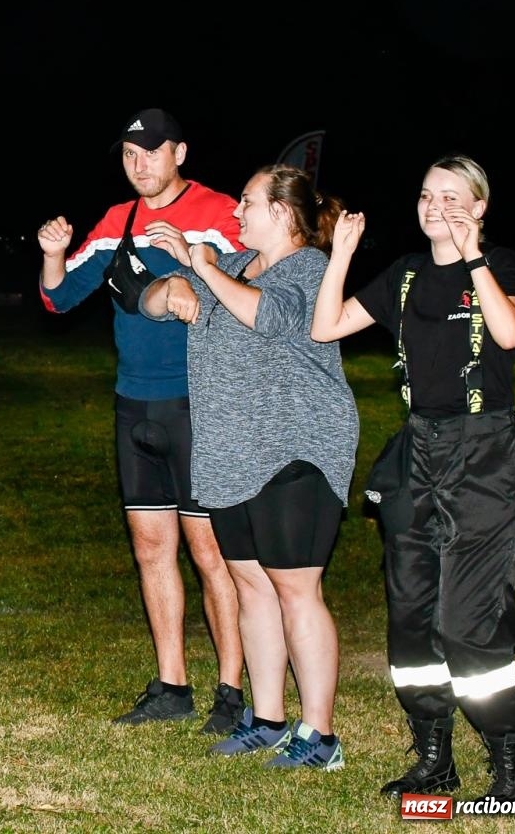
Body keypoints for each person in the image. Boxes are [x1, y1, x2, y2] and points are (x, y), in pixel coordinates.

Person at [313, 155, 515, 804]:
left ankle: (512, 770)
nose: (434, 204)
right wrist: (343, 254)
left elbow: (511, 331)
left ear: (479, 206)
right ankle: (434, 759)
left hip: (485, 455)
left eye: (451, 195)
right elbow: (325, 326)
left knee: (469, 623)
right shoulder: (405, 275)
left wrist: (473, 256)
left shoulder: (500, 266)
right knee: (411, 620)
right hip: (417, 452)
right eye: (425, 194)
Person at [141, 165, 356, 771]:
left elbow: (267, 317)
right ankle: (266, 720)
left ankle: (321, 737)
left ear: (283, 214)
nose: (236, 213)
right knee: (252, 588)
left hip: (296, 452)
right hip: (228, 454)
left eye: (247, 202)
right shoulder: (229, 266)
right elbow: (151, 301)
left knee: (295, 589)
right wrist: (173, 287)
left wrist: (203, 267)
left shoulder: (309, 269)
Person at [37, 107, 245, 732]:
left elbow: (267, 288)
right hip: (135, 404)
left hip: (200, 402)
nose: (139, 164)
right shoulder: (117, 221)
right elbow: (58, 296)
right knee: (153, 548)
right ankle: (172, 685)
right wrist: (52, 255)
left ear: (179, 152)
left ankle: (232, 690)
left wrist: (197, 262)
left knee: (211, 552)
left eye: (151, 152)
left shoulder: (221, 212)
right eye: (129, 154)